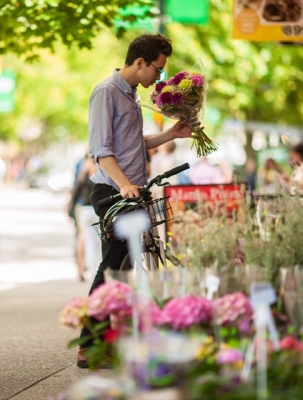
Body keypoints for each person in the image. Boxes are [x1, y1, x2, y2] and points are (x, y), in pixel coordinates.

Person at [77, 33, 193, 368]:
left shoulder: (131, 96)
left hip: (132, 190)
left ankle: (128, 336)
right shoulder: (106, 92)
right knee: (113, 265)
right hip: (112, 191)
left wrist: (171, 134)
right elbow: (101, 151)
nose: (158, 77)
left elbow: (134, 143)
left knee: (131, 264)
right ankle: (89, 344)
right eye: (157, 70)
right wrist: (126, 185)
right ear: (139, 61)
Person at [67, 154, 101, 281]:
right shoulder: (100, 175)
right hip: (97, 210)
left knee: (89, 242)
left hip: (85, 210)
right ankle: (96, 270)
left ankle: (91, 271)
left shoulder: (83, 175)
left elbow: (75, 193)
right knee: (98, 241)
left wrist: (71, 210)